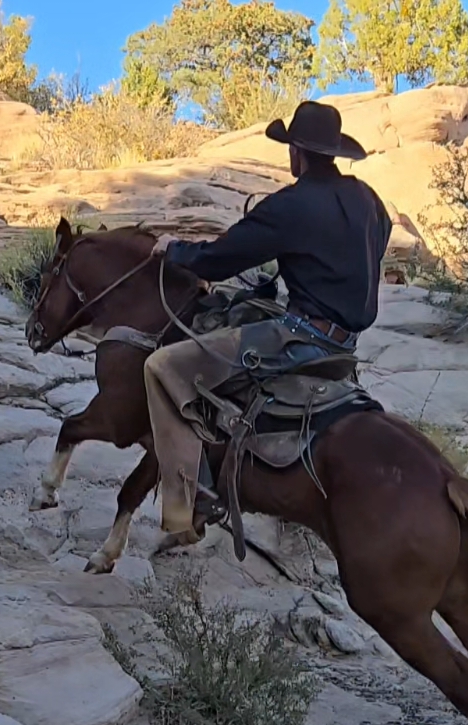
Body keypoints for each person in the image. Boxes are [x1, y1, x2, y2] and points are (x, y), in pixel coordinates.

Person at [144, 100, 393, 537]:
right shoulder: (367, 198)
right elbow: (382, 234)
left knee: (162, 367)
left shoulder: (290, 206)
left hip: (297, 336)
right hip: (346, 344)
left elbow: (219, 260)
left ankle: (187, 506)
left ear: (297, 152)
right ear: (333, 152)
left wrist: (175, 249)